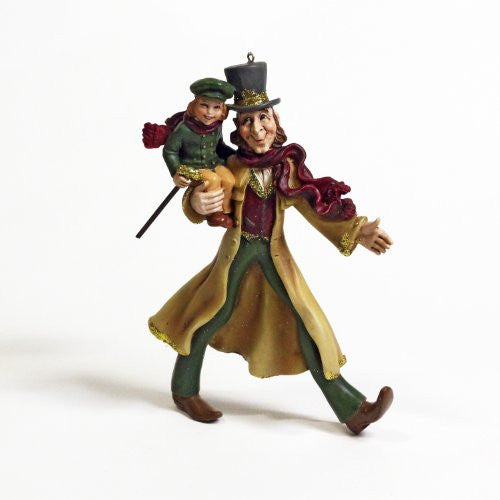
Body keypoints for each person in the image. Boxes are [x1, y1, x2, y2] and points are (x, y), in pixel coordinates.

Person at [148, 55, 394, 434]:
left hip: (274, 257)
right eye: (247, 121)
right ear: (236, 129)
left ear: (275, 121)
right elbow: (202, 194)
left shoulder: (286, 168)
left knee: (308, 325)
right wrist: (197, 201)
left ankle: (353, 409)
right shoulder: (231, 167)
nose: (257, 129)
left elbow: (315, 206)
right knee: (207, 316)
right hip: (236, 255)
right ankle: (184, 389)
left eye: (263, 118)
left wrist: (356, 230)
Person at [161, 78, 236, 228]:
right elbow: (169, 150)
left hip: (214, 163)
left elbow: (219, 146)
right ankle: (215, 214)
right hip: (194, 168)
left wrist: (234, 155)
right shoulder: (184, 129)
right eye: (204, 105)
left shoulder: (217, 126)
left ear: (222, 110)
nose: (210, 113)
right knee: (213, 180)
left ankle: (227, 211)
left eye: (216, 107)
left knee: (229, 180)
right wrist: (176, 172)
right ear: (194, 105)